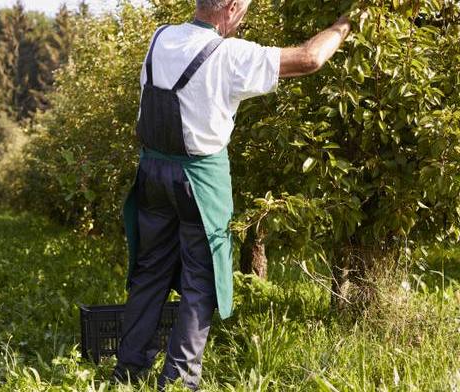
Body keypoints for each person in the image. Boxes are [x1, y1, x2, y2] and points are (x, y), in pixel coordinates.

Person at [116, 0, 351, 389]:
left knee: (150, 271)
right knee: (200, 280)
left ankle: (127, 371)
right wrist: (347, 23)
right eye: (244, 8)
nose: (245, 16)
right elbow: (310, 58)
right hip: (199, 181)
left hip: (153, 174)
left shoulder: (160, 38)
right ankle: (177, 381)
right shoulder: (230, 55)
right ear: (231, 6)